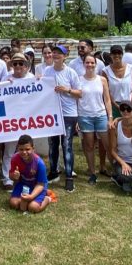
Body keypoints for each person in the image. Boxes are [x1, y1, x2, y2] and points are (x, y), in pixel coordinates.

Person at [43, 44, 82, 192]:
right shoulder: (47, 71)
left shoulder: (71, 72)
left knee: (67, 145)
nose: (56, 55)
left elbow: (80, 93)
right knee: (52, 144)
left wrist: (67, 90)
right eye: (54, 53)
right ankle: (53, 172)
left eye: (59, 53)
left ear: (65, 56)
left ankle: (69, 176)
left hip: (68, 113)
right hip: (52, 113)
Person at [1, 53, 36, 188]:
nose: (18, 66)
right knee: (9, 151)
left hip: (28, 120)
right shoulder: (6, 78)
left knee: (28, 150)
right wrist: (3, 85)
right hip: (11, 121)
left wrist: (40, 81)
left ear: (26, 65)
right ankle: (7, 179)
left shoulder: (32, 78)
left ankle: (28, 175)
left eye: (21, 63)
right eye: (15, 63)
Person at [79, 54, 112, 184]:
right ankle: (92, 172)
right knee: (89, 145)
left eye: (92, 63)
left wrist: (110, 117)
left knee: (108, 144)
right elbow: (76, 99)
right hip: (85, 115)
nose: (90, 65)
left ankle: (115, 170)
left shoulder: (102, 80)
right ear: (84, 64)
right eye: (87, 63)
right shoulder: (79, 80)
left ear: (96, 64)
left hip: (100, 115)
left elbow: (107, 99)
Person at [9, 135, 52, 213]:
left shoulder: (39, 163)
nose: (24, 152)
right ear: (17, 148)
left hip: (37, 186)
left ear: (33, 149)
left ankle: (47, 199)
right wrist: (14, 176)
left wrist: (31, 196)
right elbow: (11, 176)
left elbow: (41, 184)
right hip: (23, 184)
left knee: (33, 208)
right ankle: (28, 200)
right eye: (21, 149)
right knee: (14, 204)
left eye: (27, 149)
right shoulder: (15, 159)